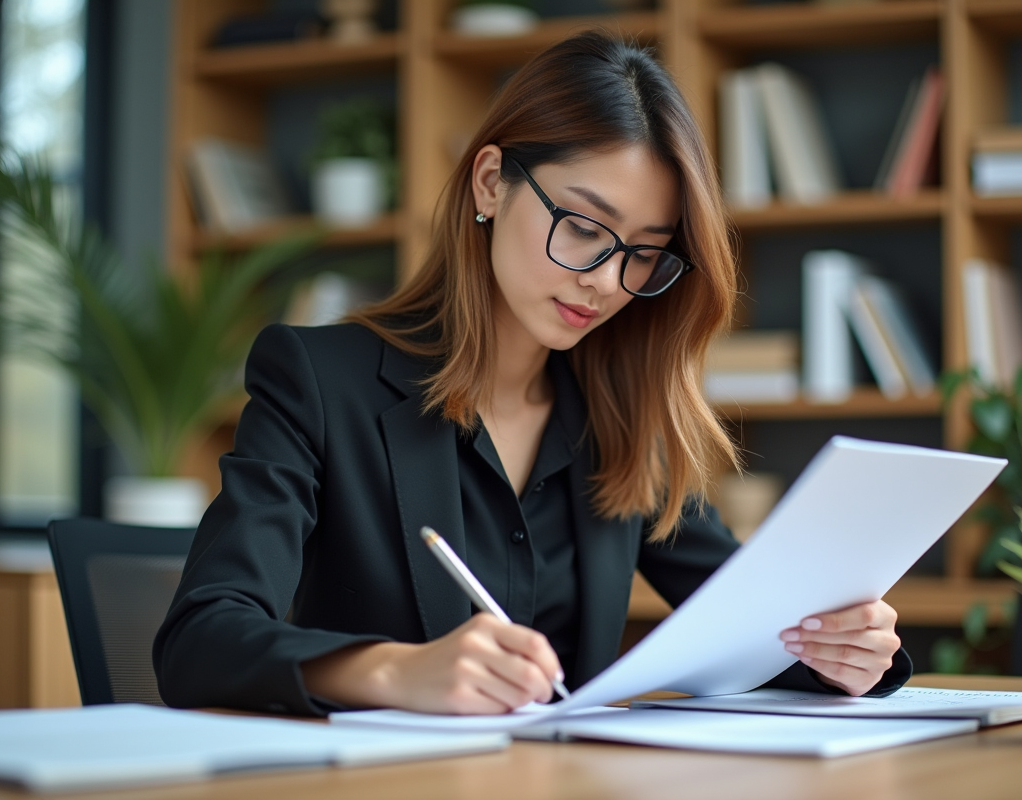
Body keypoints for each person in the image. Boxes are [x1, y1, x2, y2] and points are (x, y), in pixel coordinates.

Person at [153, 31, 910, 717]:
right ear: (490, 182)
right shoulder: (318, 381)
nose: (608, 281)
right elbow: (201, 640)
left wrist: (846, 652)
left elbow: (756, 630)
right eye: (583, 227)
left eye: (644, 252)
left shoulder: (620, 419)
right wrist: (397, 673)